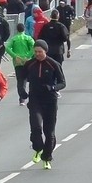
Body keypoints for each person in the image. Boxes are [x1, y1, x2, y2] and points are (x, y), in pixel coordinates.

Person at [23, 40, 66, 170]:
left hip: (50, 101)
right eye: (35, 52)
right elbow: (22, 78)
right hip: (35, 100)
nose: (37, 54)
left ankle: (47, 157)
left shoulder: (53, 64)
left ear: (45, 51)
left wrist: (52, 87)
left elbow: (63, 83)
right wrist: (22, 90)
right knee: (36, 127)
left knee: (49, 132)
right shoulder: (30, 64)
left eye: (40, 52)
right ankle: (37, 147)